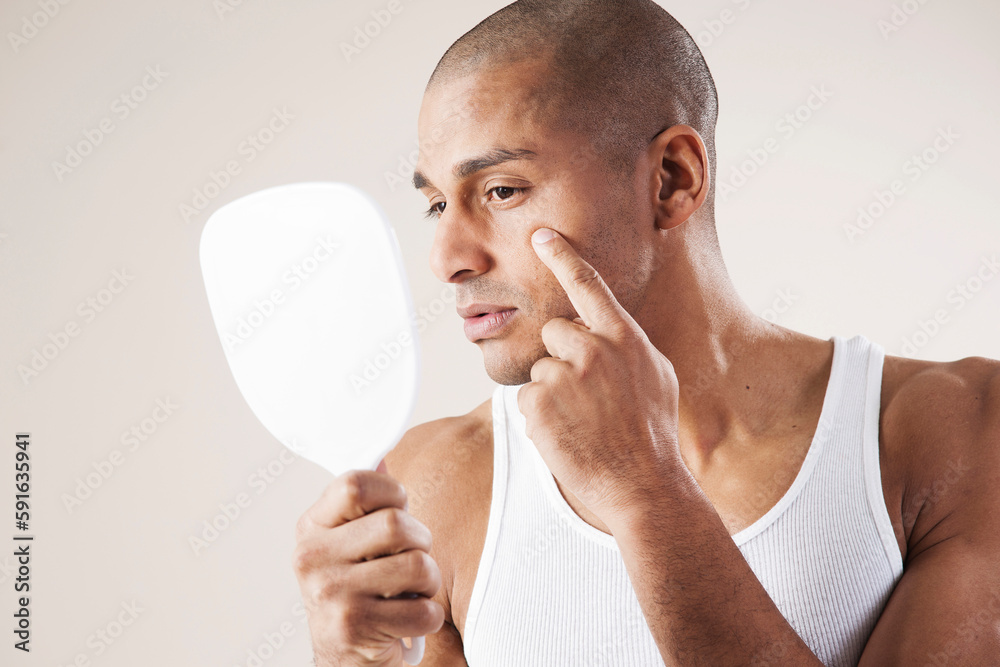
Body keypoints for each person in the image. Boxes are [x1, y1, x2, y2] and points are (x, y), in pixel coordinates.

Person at [292, 1, 1000, 665]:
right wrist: (359, 659)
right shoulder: (435, 480)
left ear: (671, 178)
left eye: (500, 191)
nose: (449, 258)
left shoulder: (957, 428)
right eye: (438, 204)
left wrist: (647, 491)